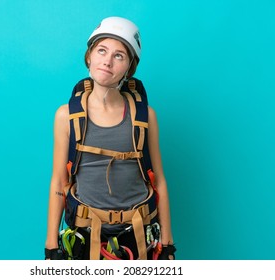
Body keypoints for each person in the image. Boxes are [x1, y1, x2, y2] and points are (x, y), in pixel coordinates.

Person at [45, 16, 175, 260]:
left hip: (138, 236)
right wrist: (51, 246)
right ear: (89, 57)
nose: (107, 61)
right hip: (84, 233)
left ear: (129, 68)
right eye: (101, 50)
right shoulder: (67, 116)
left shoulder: (145, 116)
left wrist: (167, 244)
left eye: (119, 56)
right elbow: (59, 183)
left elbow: (159, 182)